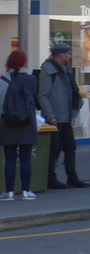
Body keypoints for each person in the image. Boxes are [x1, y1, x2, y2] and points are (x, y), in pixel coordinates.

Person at [38, 43, 90, 188]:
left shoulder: (65, 71)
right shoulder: (48, 71)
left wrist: (75, 106)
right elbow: (42, 95)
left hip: (65, 115)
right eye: (67, 53)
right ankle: (50, 179)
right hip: (54, 117)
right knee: (53, 150)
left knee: (70, 147)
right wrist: (50, 116)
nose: (69, 56)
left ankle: (72, 177)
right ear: (60, 55)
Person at [0, 50, 44, 200]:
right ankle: (26, 191)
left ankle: (9, 192)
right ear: (24, 62)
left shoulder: (3, 79)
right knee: (26, 159)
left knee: (10, 159)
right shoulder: (31, 79)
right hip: (27, 121)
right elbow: (35, 100)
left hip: (7, 122)